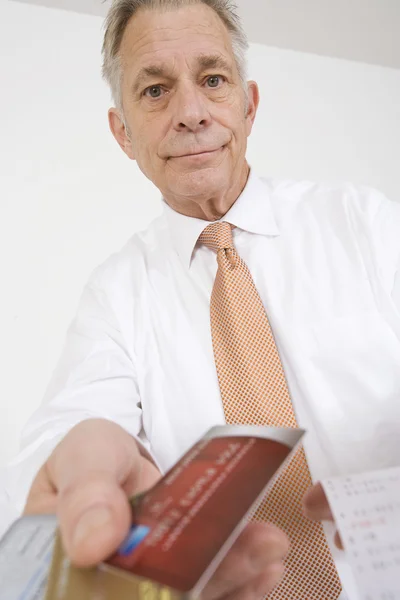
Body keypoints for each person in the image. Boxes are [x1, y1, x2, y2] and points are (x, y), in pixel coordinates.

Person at [2, 0, 400, 598]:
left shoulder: (365, 223)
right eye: (156, 90)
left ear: (249, 104)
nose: (190, 113)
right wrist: (77, 470)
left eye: (212, 80)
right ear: (123, 133)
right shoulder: (115, 294)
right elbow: (66, 431)